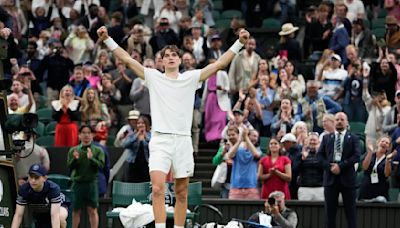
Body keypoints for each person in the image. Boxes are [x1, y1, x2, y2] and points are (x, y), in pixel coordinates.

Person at [97, 25, 250, 227]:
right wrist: (108, 39)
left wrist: (240, 42)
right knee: (158, 189)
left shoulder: (191, 77)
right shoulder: (153, 77)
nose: (170, 58)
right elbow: (127, 59)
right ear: (161, 60)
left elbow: (220, 63)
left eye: (174, 55)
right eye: (166, 55)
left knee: (181, 192)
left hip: (183, 141)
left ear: (179, 60)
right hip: (160, 140)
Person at [317, 112, 361, 228]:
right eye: (337, 119)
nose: (339, 121)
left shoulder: (354, 138)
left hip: (348, 180)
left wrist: (340, 166)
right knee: (329, 214)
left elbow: (356, 156)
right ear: (334, 122)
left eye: (342, 119)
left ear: (347, 122)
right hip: (330, 180)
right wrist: (330, 167)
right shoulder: (326, 138)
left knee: (351, 214)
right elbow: (319, 156)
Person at [67, 125, 105, 228]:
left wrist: (91, 159)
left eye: (89, 133)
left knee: (92, 210)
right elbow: (70, 166)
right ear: (79, 135)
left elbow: (101, 166)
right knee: (75, 211)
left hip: (91, 183)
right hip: (77, 184)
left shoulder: (98, 150)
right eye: (83, 133)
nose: (86, 135)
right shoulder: (74, 150)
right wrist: (75, 159)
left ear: (92, 135)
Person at [11, 164, 68, 228]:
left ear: (44, 178)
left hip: (59, 206)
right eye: (31, 177)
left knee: (60, 218)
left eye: (36, 177)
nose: (33, 180)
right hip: (41, 210)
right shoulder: (24, 190)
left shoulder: (53, 189)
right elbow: (18, 215)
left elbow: (54, 216)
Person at [227, 128, 262, 199]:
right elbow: (230, 155)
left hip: (251, 187)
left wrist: (246, 138)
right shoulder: (238, 149)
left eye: (257, 137)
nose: (255, 139)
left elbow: (256, 155)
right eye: (254, 136)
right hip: (236, 187)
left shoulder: (258, 150)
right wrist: (240, 140)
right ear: (248, 136)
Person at [359, 137, 397, 201]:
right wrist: (370, 152)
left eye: (387, 143)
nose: (384, 143)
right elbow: (365, 167)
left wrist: (388, 160)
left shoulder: (389, 159)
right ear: (377, 143)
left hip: (381, 190)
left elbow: (387, 174)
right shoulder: (370, 154)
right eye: (382, 141)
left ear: (388, 147)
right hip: (366, 188)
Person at [122, 115, 152, 183]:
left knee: (145, 183)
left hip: (146, 164)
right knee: (132, 182)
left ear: (146, 124)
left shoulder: (150, 135)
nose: (140, 125)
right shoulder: (132, 135)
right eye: (138, 123)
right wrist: (136, 135)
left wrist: (145, 136)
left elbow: (153, 145)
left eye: (142, 123)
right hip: (133, 163)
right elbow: (125, 145)